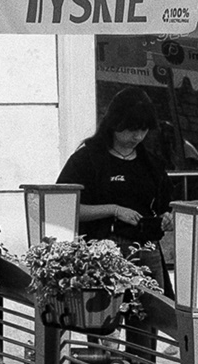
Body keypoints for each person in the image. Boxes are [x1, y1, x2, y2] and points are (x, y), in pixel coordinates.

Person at [59, 87, 172, 262]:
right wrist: (114, 210)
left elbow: (165, 206)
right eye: (132, 129)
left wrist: (167, 218)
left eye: (144, 130)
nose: (138, 136)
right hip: (101, 252)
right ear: (115, 123)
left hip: (148, 249)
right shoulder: (86, 160)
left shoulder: (152, 164)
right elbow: (63, 208)